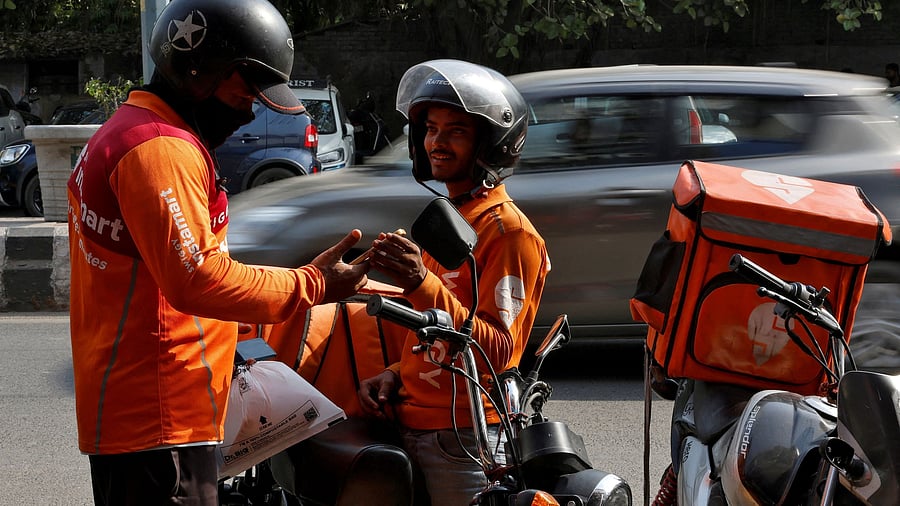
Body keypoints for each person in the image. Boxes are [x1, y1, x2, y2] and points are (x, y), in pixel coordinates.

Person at [65, 0, 369, 504]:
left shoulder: (128, 131)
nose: (249, 111)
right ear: (199, 71)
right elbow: (198, 278)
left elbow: (162, 271)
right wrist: (313, 284)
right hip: (162, 420)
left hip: (142, 410)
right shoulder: (160, 148)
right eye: (245, 91)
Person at [357, 59, 551, 506]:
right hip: (411, 420)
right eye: (430, 129)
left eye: (456, 131)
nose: (436, 143)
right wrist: (395, 374)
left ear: (491, 144)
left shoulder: (508, 233)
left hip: (463, 439)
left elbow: (497, 352)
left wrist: (420, 280)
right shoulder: (454, 219)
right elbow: (434, 328)